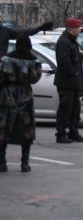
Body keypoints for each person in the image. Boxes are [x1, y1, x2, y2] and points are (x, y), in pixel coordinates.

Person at [0, 36, 43, 172]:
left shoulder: (5, 60)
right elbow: (35, 79)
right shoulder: (34, 61)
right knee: (26, 128)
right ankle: (25, 163)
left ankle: (2, 162)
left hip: (8, 94)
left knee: (4, 127)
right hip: (25, 95)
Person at [55, 18, 83, 144]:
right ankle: (61, 134)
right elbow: (64, 61)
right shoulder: (64, 42)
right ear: (72, 29)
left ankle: (73, 132)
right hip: (66, 82)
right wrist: (74, 73)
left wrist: (81, 57)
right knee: (65, 108)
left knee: (75, 109)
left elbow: (71, 56)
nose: (79, 30)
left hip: (73, 82)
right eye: (78, 28)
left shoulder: (71, 41)